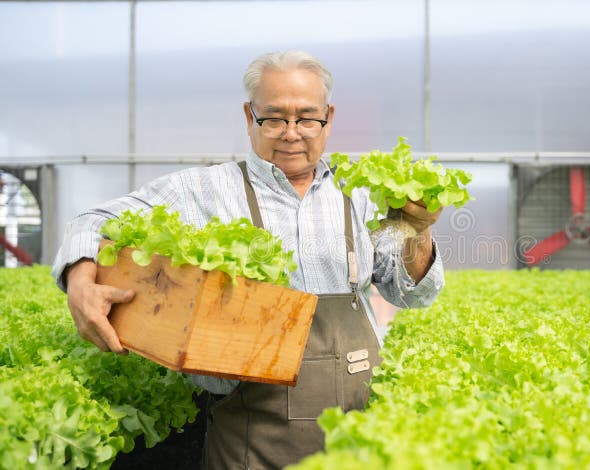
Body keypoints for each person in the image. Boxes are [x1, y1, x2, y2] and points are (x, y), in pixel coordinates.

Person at [51, 50, 444, 469]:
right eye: (273, 118)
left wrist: (418, 232)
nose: (291, 133)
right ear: (248, 114)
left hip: (358, 437)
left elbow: (412, 293)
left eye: (307, 118)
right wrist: (80, 277)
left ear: (328, 117)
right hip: (251, 440)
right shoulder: (202, 190)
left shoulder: (362, 194)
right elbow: (93, 221)